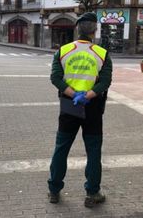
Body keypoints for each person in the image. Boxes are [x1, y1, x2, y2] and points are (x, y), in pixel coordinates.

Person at [48, 12, 113, 208]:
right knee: (93, 151)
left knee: (62, 148)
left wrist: (73, 94)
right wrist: (88, 95)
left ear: (78, 29)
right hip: (92, 106)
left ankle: (54, 190)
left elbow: (56, 78)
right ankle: (92, 192)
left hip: (69, 104)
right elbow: (105, 81)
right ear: (94, 30)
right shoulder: (102, 54)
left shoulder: (63, 51)